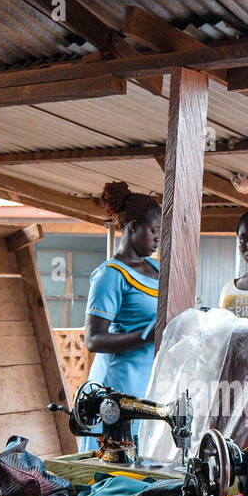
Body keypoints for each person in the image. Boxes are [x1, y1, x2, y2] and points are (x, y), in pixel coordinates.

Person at [81, 181, 161, 451]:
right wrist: (143, 336)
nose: (158, 239)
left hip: (151, 379)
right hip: (120, 382)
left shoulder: (158, 267)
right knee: (116, 455)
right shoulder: (110, 275)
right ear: (133, 227)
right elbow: (93, 340)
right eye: (154, 231)